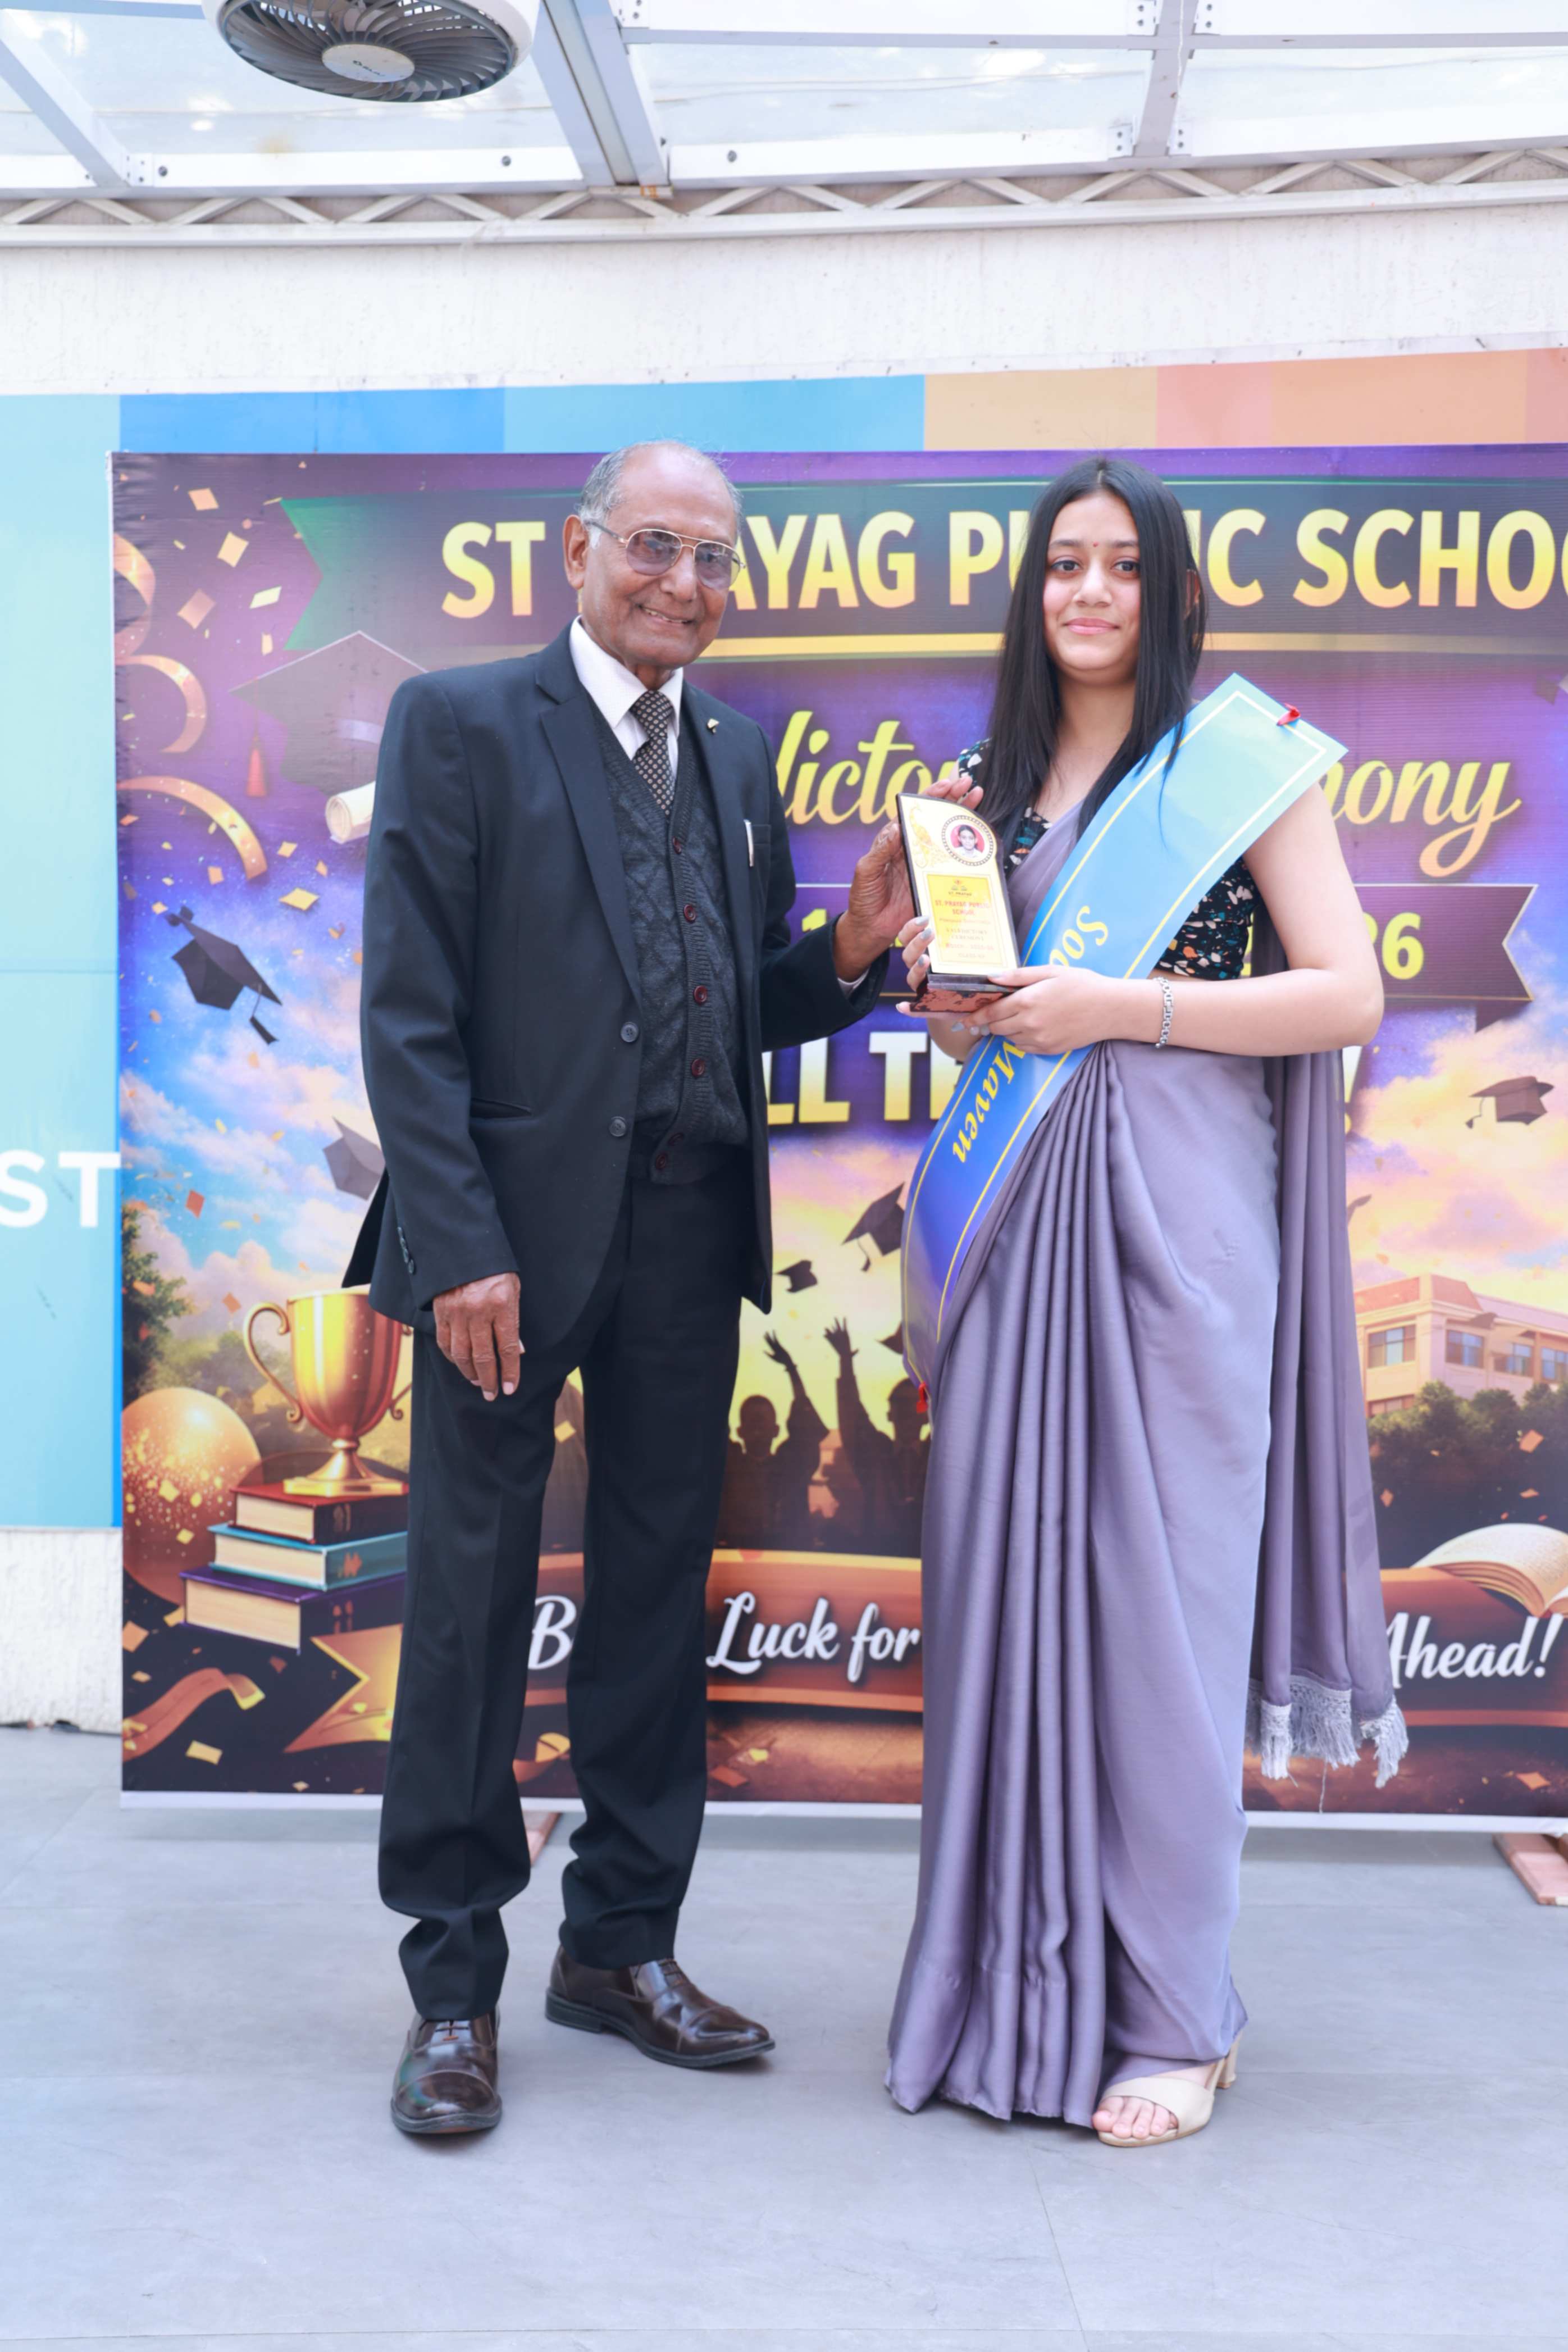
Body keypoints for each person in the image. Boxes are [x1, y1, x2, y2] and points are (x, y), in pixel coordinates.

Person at [348, 439, 968, 2137]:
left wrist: (845, 954)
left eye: (712, 559)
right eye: (654, 546)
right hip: (501, 1254)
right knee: (469, 1613)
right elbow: (407, 1014)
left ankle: (618, 1948)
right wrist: (461, 1243)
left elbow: (739, 1000)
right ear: (579, 550)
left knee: (647, 1605)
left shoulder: (737, 753)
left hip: (692, 1244)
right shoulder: (461, 724)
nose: (683, 583)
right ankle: (453, 1985)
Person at [887, 455, 1403, 2150]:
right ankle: (1013, 1992)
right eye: (1063, 565)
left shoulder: (1237, 769)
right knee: (1009, 1601)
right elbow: (995, 1031)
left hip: (1185, 1232)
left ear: (1172, 592)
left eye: (1120, 564)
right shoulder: (990, 792)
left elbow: (1345, 994)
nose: (1090, 592)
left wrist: (1119, 1004)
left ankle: (1180, 2017)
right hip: (1018, 1228)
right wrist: (953, 1005)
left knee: (1157, 1627)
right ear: (1031, 593)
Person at [715, 1331, 828, 1552]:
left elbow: (805, 1424)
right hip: (735, 1558)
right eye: (752, 1422)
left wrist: (792, 1369)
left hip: (788, 1560)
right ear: (740, 1431)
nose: (758, 1428)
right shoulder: (730, 1467)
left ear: (776, 1430)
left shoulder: (791, 1466)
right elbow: (714, 1418)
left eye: (763, 1421)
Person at [824, 1320, 928, 1558]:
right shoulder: (876, 1454)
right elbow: (853, 1417)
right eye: (900, 1404)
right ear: (890, 1413)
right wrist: (845, 1360)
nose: (907, 1411)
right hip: (881, 1558)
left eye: (914, 1404)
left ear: (926, 1415)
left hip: (928, 1559)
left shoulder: (938, 1455)